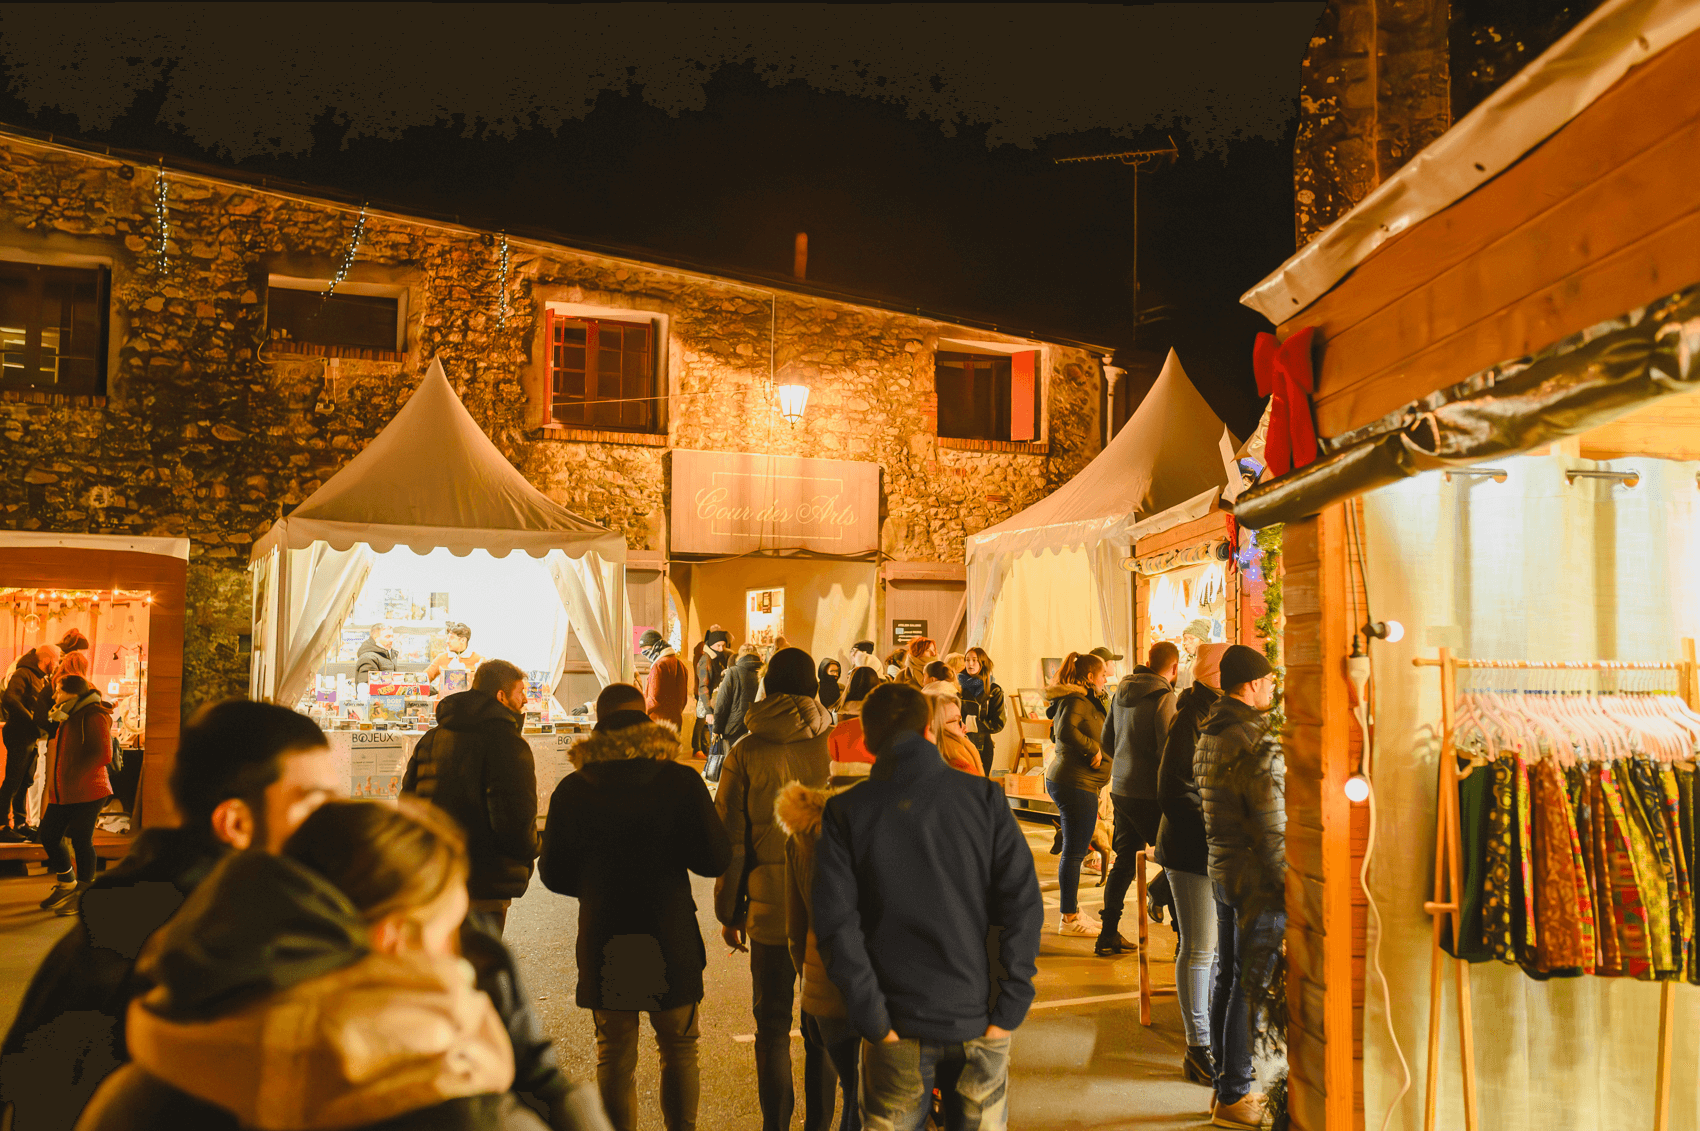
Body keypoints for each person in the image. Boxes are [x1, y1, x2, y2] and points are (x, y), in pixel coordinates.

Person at [76, 800, 546, 1131]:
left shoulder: (148, 1074)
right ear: (394, 937)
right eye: (450, 931)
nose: (461, 955)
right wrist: (540, 1069)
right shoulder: (459, 1102)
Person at [813, 683, 1043, 1131]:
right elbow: (1022, 905)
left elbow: (837, 927)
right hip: (980, 1018)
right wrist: (1009, 1007)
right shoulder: (985, 800)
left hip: (893, 1023)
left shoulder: (845, 812)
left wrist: (875, 1022)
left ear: (866, 737)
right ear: (930, 730)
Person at [539, 684, 730, 1131]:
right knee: (680, 1048)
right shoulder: (680, 780)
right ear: (647, 721)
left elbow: (552, 873)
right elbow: (715, 858)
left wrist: (594, 885)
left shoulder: (573, 788)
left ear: (597, 725)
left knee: (614, 1053)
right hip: (670, 930)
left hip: (605, 932)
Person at [714, 647, 832, 1131]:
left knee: (772, 1028)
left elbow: (731, 839)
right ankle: (820, 1126)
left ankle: (775, 1126)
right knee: (823, 1024)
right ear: (814, 687)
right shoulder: (836, 743)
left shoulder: (746, 749)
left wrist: (729, 909)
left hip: (769, 906)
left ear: (767, 686)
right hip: (831, 904)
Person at [1196, 645, 1284, 1131]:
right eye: (1268, 681)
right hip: (1256, 879)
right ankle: (1234, 1093)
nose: (1272, 689)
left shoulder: (1212, 729)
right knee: (1246, 986)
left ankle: (1224, 1085)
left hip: (1224, 868)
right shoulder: (1252, 737)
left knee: (1228, 979)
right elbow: (1272, 821)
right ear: (1250, 685)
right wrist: (1287, 882)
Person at [401, 658, 539, 934]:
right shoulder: (509, 744)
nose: (525, 700)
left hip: (437, 873)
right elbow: (515, 817)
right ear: (501, 696)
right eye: (520, 692)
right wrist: (531, 849)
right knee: (481, 963)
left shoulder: (432, 737)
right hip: (487, 879)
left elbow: (409, 803)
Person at [1155, 643, 1229, 1087]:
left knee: (1213, 949)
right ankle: (1198, 1046)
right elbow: (1173, 788)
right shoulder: (1194, 715)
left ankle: (1210, 1040)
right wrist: (1213, 824)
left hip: (1206, 848)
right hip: (1191, 850)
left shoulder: (1211, 710)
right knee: (1201, 948)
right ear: (1220, 674)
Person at [777, 782, 860, 1131]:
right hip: (885, 992)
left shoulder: (802, 833)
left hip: (824, 988)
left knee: (856, 1092)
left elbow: (795, 930)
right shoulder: (890, 821)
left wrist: (808, 983)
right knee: (866, 1099)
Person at [1097, 641, 1180, 956]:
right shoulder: (1163, 697)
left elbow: (1107, 739)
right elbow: (1168, 752)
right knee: (1176, 860)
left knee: (1124, 862)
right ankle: (1181, 940)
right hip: (1150, 792)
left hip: (1121, 789)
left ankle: (1107, 934)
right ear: (1173, 668)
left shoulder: (1120, 691)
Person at [1043, 651, 1111, 937]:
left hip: (1076, 781)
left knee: (1075, 850)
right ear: (1089, 677)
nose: (1107, 678)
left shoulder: (1081, 699)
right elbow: (1064, 731)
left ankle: (1072, 910)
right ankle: (1069, 918)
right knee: (1074, 853)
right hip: (1075, 782)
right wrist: (1092, 748)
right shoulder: (1076, 700)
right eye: (1103, 674)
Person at [35, 675, 114, 917]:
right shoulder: (67, 714)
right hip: (65, 792)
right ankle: (67, 882)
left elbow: (103, 754)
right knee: (48, 835)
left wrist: (76, 776)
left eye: (58, 691)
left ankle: (84, 892)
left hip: (89, 790)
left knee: (81, 838)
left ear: (71, 693)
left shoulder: (93, 714)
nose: (54, 696)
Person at [1, 643, 59, 842]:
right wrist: (33, 722)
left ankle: (19, 823)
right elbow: (9, 699)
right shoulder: (24, 673)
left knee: (25, 781)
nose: (57, 664)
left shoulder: (38, 678)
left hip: (29, 736)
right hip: (19, 734)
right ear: (47, 660)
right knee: (13, 782)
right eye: (57, 660)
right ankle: (2, 826)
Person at [957, 647, 1006, 777]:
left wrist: (972, 724)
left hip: (982, 746)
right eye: (967, 660)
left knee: (979, 788)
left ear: (982, 663)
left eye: (974, 660)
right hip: (958, 745)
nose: (970, 664)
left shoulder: (993, 690)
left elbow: (998, 723)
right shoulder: (956, 687)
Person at [828, 667, 881, 775]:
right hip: (875, 771)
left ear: (850, 684)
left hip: (844, 773)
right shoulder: (884, 713)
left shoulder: (836, 712)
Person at [921, 685, 984, 776]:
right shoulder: (956, 761)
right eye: (956, 721)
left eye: (961, 720)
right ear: (933, 725)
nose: (965, 727)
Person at [711, 643, 762, 747]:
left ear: (740, 656)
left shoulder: (733, 672)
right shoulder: (764, 673)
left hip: (735, 729)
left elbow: (722, 702)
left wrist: (716, 729)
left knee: (733, 761)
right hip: (759, 729)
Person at [640, 630, 691, 734]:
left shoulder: (659, 666)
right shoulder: (680, 664)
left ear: (656, 646)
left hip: (658, 723)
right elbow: (683, 698)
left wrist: (639, 710)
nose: (644, 653)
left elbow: (654, 699)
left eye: (646, 649)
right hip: (675, 721)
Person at [694, 629, 733, 755]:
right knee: (716, 747)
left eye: (723, 645)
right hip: (711, 704)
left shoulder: (719, 658)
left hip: (719, 704)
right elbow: (703, 686)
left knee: (718, 746)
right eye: (718, 646)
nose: (721, 649)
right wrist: (709, 711)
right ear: (711, 645)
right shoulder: (706, 660)